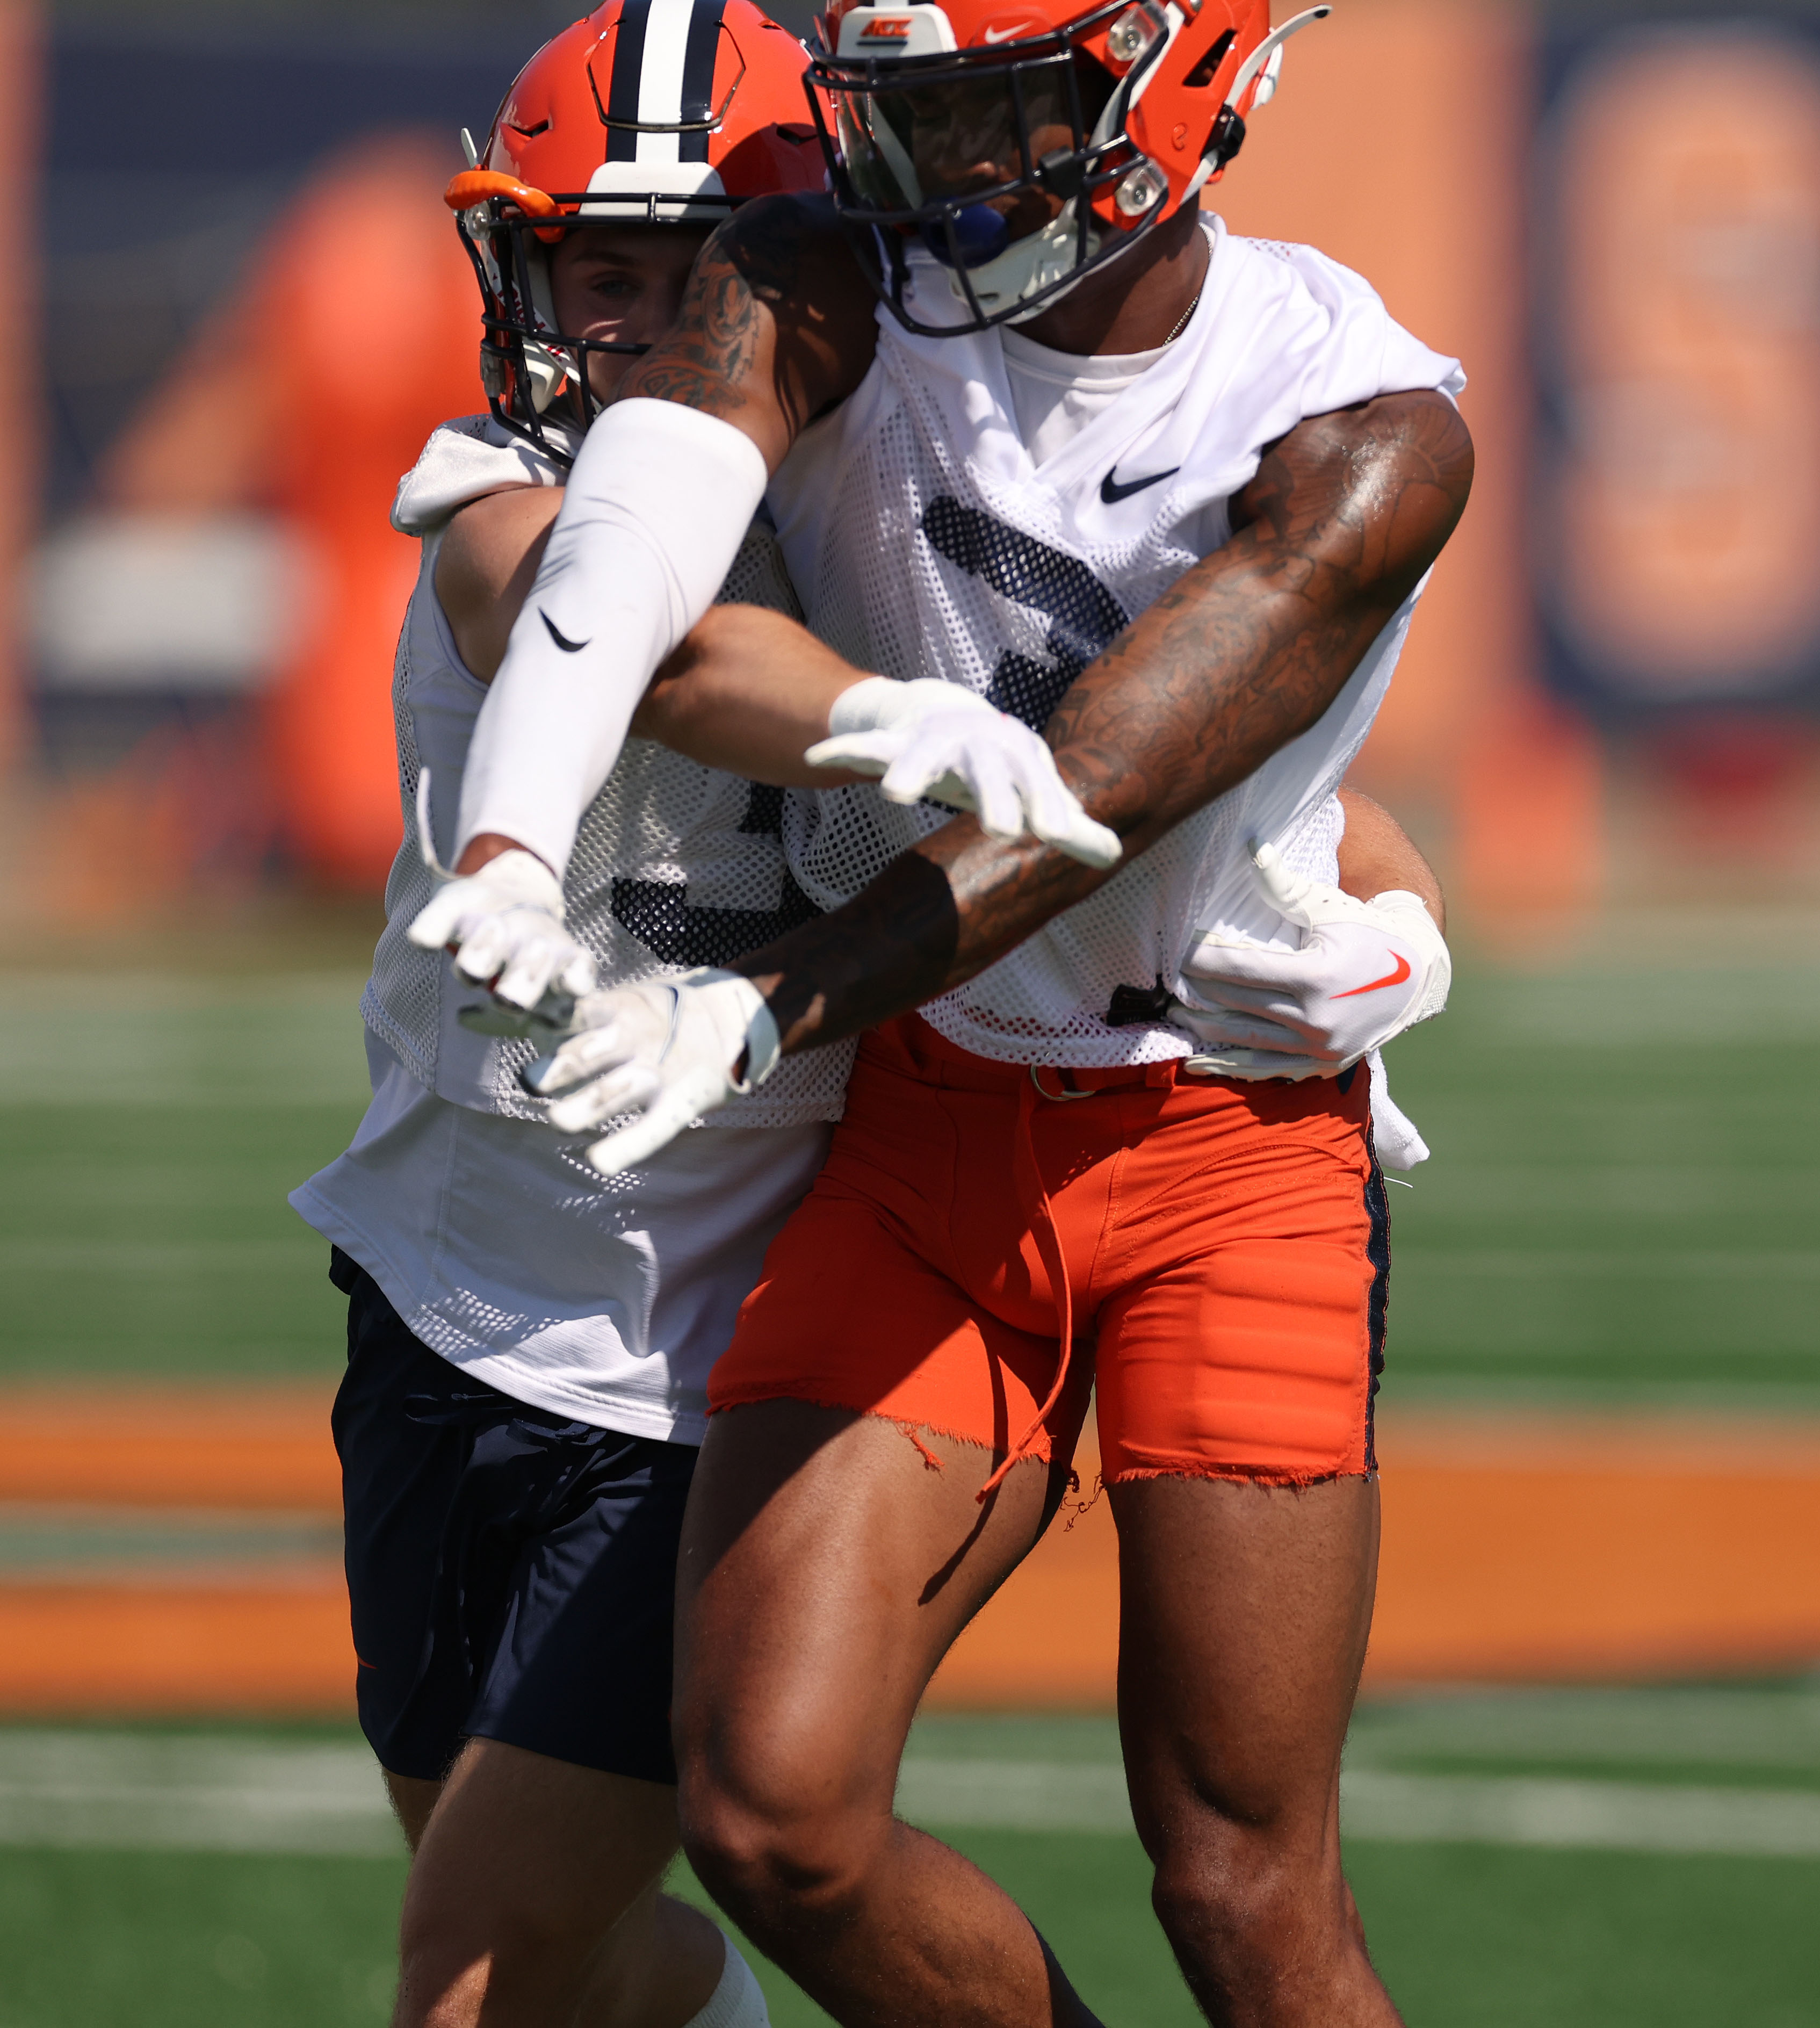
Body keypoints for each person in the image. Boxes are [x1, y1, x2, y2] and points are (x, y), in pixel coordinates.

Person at [429, 0, 1472, 2020]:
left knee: (1244, 1885)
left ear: (1191, 82)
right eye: (903, 123)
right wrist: (507, 847)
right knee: (771, 1814)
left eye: (1004, 113)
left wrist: (765, 1006)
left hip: (1221, 1151)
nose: (944, 181)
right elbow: (629, 542)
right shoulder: (825, 277)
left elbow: (1092, 790)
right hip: (933, 1119)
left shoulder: (1365, 422)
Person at [289, 9, 1116, 2026]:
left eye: (714, 269)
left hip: (727, 1356)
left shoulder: (895, 514)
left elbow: (1208, 749)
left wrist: (1376, 889)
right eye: (604, 268)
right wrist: (869, 719)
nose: (655, 320)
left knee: (474, 1977)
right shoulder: (494, 477)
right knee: (578, 1962)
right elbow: (605, 628)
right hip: (443, 1292)